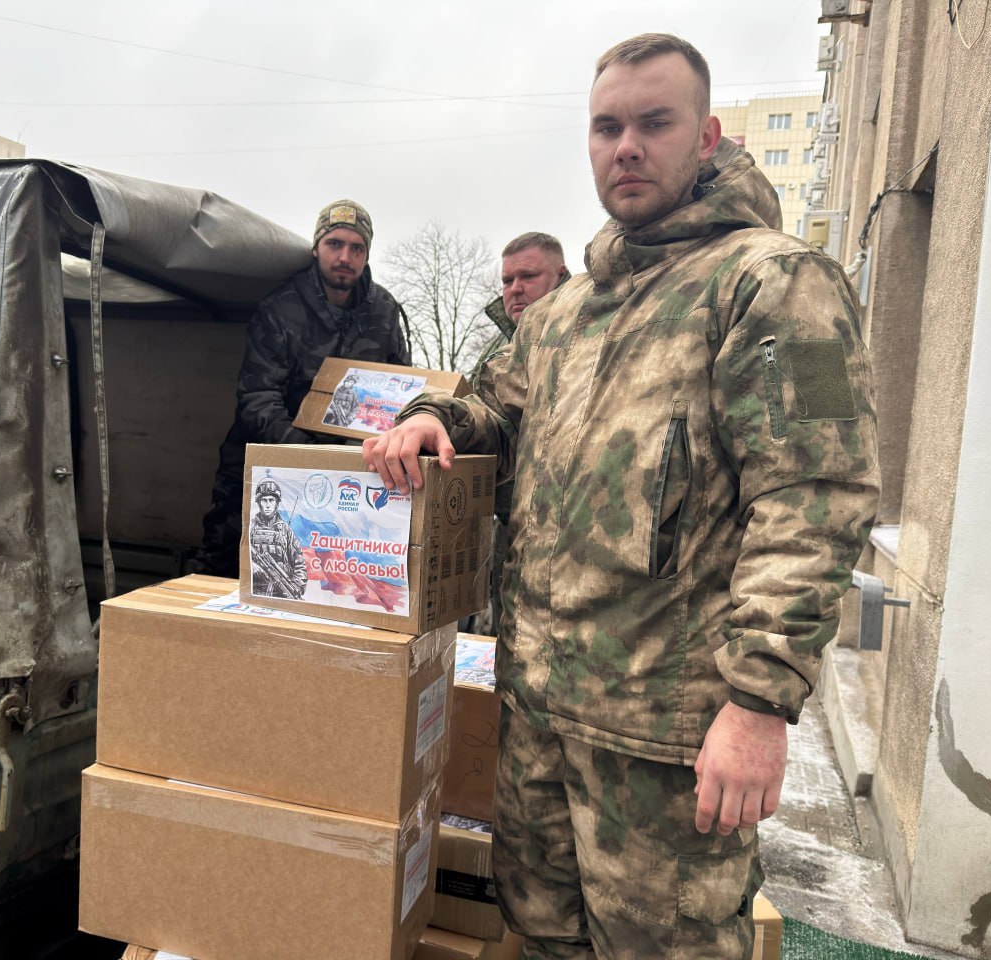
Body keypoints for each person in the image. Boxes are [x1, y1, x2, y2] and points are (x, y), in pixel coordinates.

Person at [364, 33, 879, 960]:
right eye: (607, 127)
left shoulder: (769, 283)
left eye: (654, 123)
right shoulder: (567, 311)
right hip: (542, 720)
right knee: (542, 934)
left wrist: (760, 704)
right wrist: (433, 417)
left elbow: (815, 499)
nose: (626, 147)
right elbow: (490, 400)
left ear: (708, 136)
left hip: (665, 745)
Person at [197, 199, 409, 577]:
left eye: (356, 248)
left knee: (330, 575)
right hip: (267, 464)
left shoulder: (385, 312)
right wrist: (311, 456)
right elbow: (257, 399)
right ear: (316, 248)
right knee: (225, 568)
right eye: (335, 244)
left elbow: (399, 396)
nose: (345, 256)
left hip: (351, 473)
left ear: (366, 255)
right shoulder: (281, 307)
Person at [467, 233, 569, 636]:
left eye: (528, 276)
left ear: (560, 276)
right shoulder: (497, 345)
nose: (515, 290)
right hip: (506, 523)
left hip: (565, 531)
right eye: (507, 281)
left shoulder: (593, 335)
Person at [247, 479, 308, 599]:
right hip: (255, 591)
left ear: (277, 503)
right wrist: (252, 566)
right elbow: (241, 555)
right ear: (259, 503)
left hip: (282, 592)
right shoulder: (251, 528)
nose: (268, 504)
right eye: (264, 500)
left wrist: (296, 586)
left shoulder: (286, 531)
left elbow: (300, 564)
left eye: (271, 500)